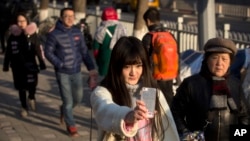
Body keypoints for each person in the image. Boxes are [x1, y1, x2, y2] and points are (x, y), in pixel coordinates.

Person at [91, 36, 180, 141]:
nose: (133, 73)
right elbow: (105, 108)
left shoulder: (152, 91)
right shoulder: (102, 92)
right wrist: (128, 116)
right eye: (127, 67)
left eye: (138, 66)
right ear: (116, 66)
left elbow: (167, 132)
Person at [170, 37, 249, 141]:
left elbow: (244, 116)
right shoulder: (191, 84)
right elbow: (175, 112)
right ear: (206, 60)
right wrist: (186, 134)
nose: (219, 63)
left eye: (224, 59)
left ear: (230, 62)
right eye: (214, 58)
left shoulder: (235, 84)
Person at [44, 8, 98, 137]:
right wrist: (59, 64)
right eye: (66, 16)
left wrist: (91, 68)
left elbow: (84, 52)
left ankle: (64, 110)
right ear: (61, 18)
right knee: (68, 101)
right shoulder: (54, 34)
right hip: (62, 72)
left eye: (72, 16)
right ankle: (71, 125)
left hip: (76, 71)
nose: (70, 18)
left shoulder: (77, 32)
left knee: (78, 98)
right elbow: (48, 52)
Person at [3, 12, 46, 117]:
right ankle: (23, 107)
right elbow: (8, 51)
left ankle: (31, 97)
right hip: (17, 66)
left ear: (27, 21)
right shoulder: (13, 36)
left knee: (32, 85)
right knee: (21, 87)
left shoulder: (33, 35)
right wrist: (6, 65)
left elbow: (38, 49)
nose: (21, 23)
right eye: (18, 21)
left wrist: (42, 62)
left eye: (23, 21)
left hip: (31, 65)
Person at [142, 8, 179, 105]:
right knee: (168, 104)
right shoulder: (170, 35)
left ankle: (150, 119)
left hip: (153, 77)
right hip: (169, 75)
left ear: (148, 21)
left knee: (149, 106)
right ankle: (169, 119)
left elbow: (143, 58)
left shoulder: (148, 37)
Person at [92, 6, 127, 77]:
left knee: (104, 81)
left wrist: (98, 61)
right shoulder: (122, 28)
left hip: (104, 59)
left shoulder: (101, 29)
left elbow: (95, 49)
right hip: (119, 58)